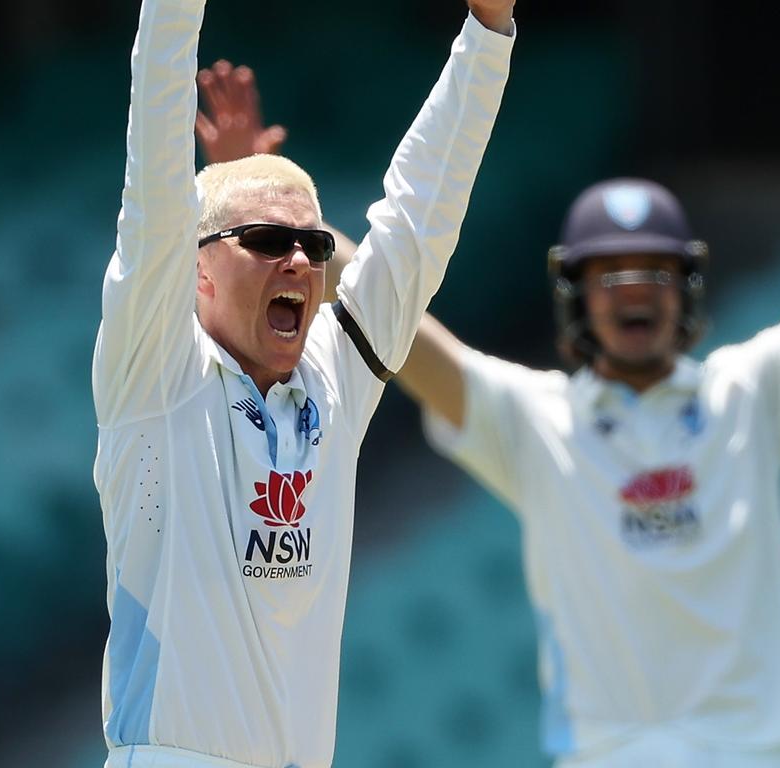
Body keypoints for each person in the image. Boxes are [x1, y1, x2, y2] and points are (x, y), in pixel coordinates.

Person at [194, 58, 780, 768]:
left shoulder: (749, 395)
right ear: (576, 294)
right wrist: (262, 220)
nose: (634, 292)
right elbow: (397, 326)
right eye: (610, 275)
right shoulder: (538, 420)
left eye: (653, 273)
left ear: (686, 289)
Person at [91, 1, 515, 767]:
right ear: (197, 268)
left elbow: (422, 216)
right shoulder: (153, 372)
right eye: (263, 241)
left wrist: (487, 29)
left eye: (310, 244)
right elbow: (153, 184)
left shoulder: (334, 379)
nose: (295, 260)